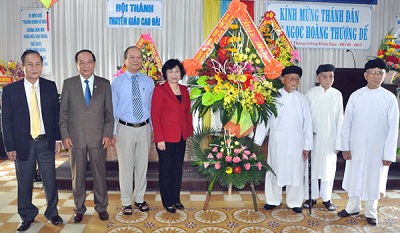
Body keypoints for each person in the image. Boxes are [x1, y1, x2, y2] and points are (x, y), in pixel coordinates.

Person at [1, 50, 63, 231]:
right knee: (24, 182)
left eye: (38, 64)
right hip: (23, 144)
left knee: (50, 180)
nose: (34, 68)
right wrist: (9, 146)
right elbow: (6, 120)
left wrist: (58, 139)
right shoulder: (11, 91)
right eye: (30, 64)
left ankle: (52, 212)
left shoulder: (50, 86)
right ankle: (26, 215)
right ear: (22, 67)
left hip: (46, 142)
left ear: (42, 66)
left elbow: (55, 114)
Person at [337, 59, 399, 226]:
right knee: (354, 176)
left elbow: (394, 128)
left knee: (374, 179)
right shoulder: (356, 96)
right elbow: (347, 123)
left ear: (385, 76)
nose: (376, 76)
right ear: (365, 75)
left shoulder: (390, 98)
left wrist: (388, 154)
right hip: (356, 146)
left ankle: (371, 211)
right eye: (373, 72)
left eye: (380, 73)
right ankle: (352, 207)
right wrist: (345, 146)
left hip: (377, 149)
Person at [59, 49, 113, 223]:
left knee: (100, 174)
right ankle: (79, 208)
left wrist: (107, 133)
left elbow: (108, 113)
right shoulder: (69, 84)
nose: (85, 65)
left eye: (89, 61)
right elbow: (64, 113)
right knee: (78, 176)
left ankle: (101, 206)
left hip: (99, 138)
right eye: (81, 62)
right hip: (76, 138)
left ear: (94, 63)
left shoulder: (104, 84)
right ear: (76, 65)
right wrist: (65, 135)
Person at [254, 65, 313, 214]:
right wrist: (257, 142)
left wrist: (307, 146)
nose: (294, 82)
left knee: (296, 172)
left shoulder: (302, 99)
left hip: (297, 144)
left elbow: (308, 124)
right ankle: (273, 200)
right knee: (275, 170)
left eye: (297, 79)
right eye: (291, 78)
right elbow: (264, 121)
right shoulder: (273, 98)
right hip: (278, 143)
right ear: (282, 79)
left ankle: (294, 201)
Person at [111, 46, 155, 215]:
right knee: (126, 167)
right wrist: (113, 132)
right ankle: (126, 201)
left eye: (139, 57)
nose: (136, 60)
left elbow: (151, 107)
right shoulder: (117, 83)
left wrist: (152, 129)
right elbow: (113, 108)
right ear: (125, 60)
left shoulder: (148, 81)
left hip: (144, 128)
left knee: (142, 166)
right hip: (124, 128)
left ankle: (139, 198)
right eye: (132, 57)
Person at [151, 59, 194, 213]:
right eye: (170, 71)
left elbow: (188, 113)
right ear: (165, 73)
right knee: (166, 170)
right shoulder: (160, 90)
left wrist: (189, 131)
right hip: (165, 138)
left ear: (181, 73)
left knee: (177, 169)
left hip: (181, 136)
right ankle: (167, 200)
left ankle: (176, 198)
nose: (174, 74)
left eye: (176, 71)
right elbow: (155, 116)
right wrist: (159, 138)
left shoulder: (184, 90)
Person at [303, 64, 343, 211]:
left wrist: (339, 142)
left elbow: (340, 119)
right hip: (313, 138)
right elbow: (306, 118)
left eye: (331, 76)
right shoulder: (311, 93)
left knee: (328, 169)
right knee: (312, 169)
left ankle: (326, 198)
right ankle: (311, 197)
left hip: (330, 138)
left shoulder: (337, 94)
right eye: (325, 76)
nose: (328, 79)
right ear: (318, 77)